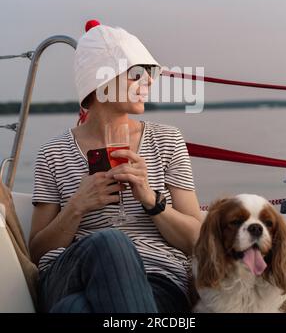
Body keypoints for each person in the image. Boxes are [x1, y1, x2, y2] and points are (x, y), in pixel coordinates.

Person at [29, 20, 203, 313]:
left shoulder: (167, 140)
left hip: (156, 280)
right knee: (110, 242)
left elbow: (196, 242)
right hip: (71, 274)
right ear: (100, 85)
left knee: (74, 309)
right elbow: (37, 252)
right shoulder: (53, 154)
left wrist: (150, 199)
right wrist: (77, 206)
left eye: (151, 73)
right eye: (137, 74)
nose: (149, 82)